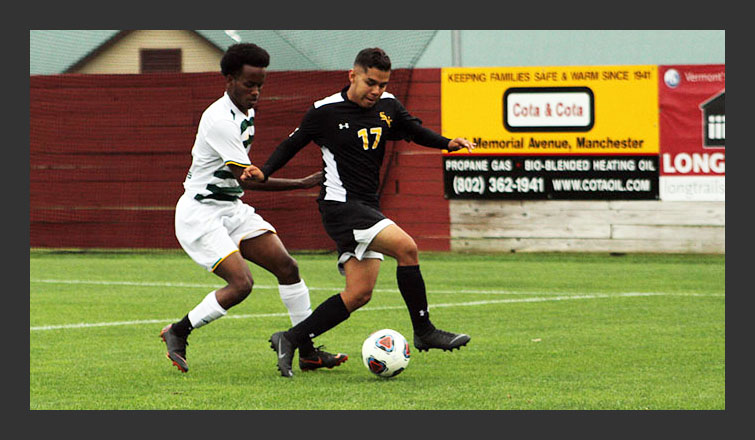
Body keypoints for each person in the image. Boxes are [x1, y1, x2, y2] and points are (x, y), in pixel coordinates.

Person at [248, 47, 475, 377]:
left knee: (359, 294)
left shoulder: (387, 106)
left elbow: (412, 129)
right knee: (407, 248)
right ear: (352, 76)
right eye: (371, 82)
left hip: (367, 207)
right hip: (341, 207)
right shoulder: (324, 111)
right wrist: (265, 172)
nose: (377, 91)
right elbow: (290, 145)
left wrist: (446, 142)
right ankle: (424, 331)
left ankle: (291, 338)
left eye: (382, 84)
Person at [160, 43, 347, 374]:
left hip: (230, 208)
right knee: (242, 285)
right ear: (229, 79)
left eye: (261, 84)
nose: (256, 91)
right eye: (249, 84)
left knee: (288, 268)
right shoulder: (219, 119)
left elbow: (242, 184)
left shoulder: (246, 111)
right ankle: (178, 331)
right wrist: (302, 183)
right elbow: (249, 180)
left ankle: (307, 351)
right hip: (200, 214)